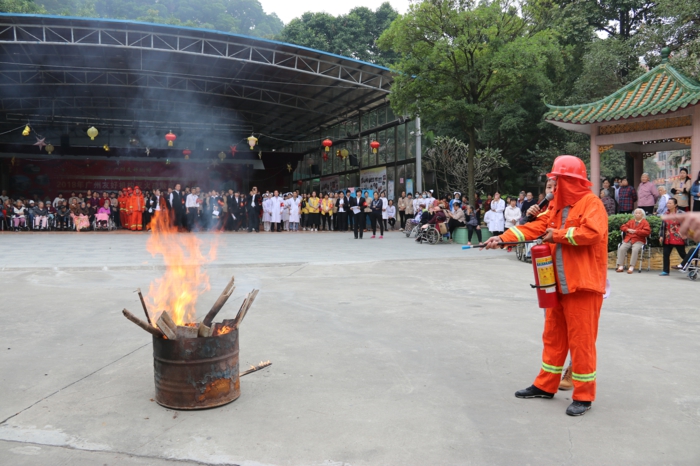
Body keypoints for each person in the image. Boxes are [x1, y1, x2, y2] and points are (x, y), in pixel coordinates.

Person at [484, 155, 608, 417]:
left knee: (582, 342)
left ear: (569, 182)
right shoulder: (555, 210)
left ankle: (583, 395)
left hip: (582, 287)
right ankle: (545, 385)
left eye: (555, 181)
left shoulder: (591, 204)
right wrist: (501, 238)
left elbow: (593, 233)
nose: (551, 187)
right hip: (555, 285)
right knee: (552, 337)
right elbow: (534, 228)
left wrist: (560, 235)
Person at [616, 208, 651, 273]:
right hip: (629, 239)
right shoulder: (631, 221)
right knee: (622, 248)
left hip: (639, 240)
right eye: (636, 213)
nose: (637, 214)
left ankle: (631, 266)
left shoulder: (645, 222)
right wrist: (628, 229)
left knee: (635, 250)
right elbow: (622, 227)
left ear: (642, 215)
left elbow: (647, 232)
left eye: (639, 213)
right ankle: (620, 266)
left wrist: (636, 231)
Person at [659, 199, 688, 276]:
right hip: (667, 237)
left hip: (679, 237)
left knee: (683, 255)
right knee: (666, 254)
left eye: (670, 203)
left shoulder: (681, 213)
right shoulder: (666, 213)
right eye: (667, 203)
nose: (668, 204)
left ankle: (691, 269)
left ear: (675, 205)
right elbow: (662, 226)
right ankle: (665, 271)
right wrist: (661, 235)